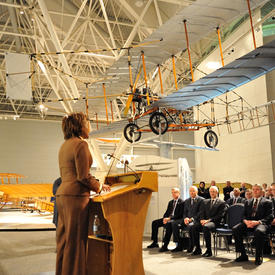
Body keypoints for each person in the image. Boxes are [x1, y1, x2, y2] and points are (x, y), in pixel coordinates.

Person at [56, 112, 110, 275]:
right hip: (76, 198)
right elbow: (83, 176)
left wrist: (97, 184)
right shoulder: (81, 145)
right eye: (88, 123)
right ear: (80, 126)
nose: (90, 127)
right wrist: (99, 187)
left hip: (63, 196)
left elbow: (77, 173)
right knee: (76, 242)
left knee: (64, 241)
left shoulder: (64, 145)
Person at [233, 184, 273, 265]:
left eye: (257, 189)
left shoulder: (267, 202)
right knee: (236, 229)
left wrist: (258, 222)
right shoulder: (248, 201)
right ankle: (243, 254)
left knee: (259, 231)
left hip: (261, 223)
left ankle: (258, 256)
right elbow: (243, 215)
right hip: (249, 223)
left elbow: (270, 216)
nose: (255, 191)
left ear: (261, 191)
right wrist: (246, 221)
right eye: (253, 189)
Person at [147, 188, 184, 252]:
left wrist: (169, 219)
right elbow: (167, 212)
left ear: (179, 193)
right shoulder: (170, 202)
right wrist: (164, 219)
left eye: (175, 192)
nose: (173, 194)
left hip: (176, 219)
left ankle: (165, 245)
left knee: (169, 224)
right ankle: (155, 242)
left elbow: (180, 215)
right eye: (172, 192)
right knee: (155, 223)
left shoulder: (182, 202)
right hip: (168, 219)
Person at [193, 186, 226, 257]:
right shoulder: (205, 201)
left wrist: (208, 220)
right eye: (211, 191)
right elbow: (201, 212)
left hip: (216, 222)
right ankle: (198, 249)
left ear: (217, 192)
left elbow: (220, 215)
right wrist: (201, 219)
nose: (212, 193)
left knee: (206, 227)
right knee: (194, 226)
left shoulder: (222, 202)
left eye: (213, 191)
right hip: (205, 221)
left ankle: (209, 250)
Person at [172, 186, 204, 253]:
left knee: (191, 226)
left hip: (196, 220)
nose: (191, 192)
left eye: (193, 191)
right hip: (187, 219)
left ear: (197, 192)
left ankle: (193, 246)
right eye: (190, 191)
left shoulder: (201, 200)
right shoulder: (187, 201)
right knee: (175, 224)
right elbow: (184, 212)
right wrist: (185, 218)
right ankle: (179, 245)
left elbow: (200, 213)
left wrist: (191, 219)